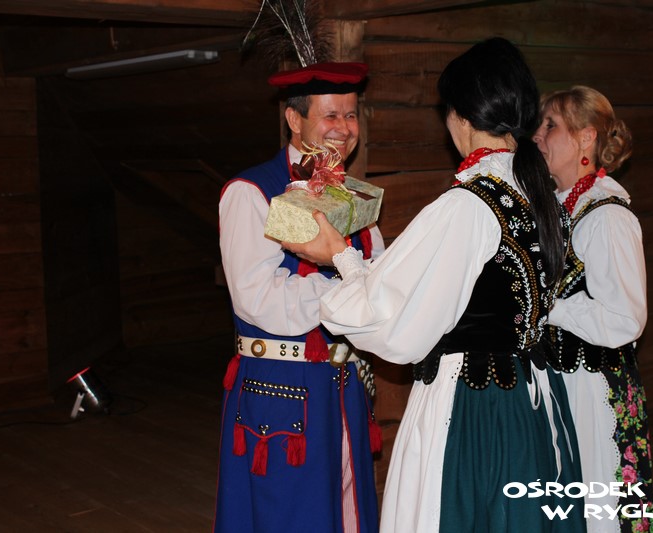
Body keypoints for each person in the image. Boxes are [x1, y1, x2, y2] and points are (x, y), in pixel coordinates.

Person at [285, 38, 585, 533]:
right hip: (531, 402)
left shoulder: (467, 206)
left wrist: (338, 254)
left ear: (461, 116)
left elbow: (395, 322)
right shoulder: (540, 195)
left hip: (475, 409)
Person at [214, 61, 384, 533]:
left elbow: (379, 276)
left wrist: (366, 280)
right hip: (281, 391)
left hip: (345, 387)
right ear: (294, 118)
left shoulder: (357, 197)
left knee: (347, 513)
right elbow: (257, 298)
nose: (343, 129)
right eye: (330, 115)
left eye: (350, 115)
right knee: (290, 517)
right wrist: (349, 284)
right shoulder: (251, 192)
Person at [532, 86, 653, 533]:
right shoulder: (562, 206)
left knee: (599, 507)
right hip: (564, 385)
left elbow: (625, 319)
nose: (538, 136)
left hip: (594, 390)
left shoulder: (607, 216)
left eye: (550, 126)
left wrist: (550, 307)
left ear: (586, 138)